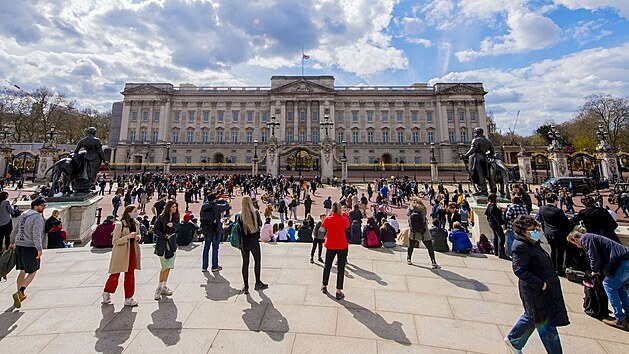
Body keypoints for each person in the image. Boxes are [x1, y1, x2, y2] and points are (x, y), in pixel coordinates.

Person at [504, 215, 569, 354]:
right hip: (536, 291)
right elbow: (520, 270)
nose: (536, 231)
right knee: (547, 324)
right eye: (532, 229)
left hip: (542, 290)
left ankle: (514, 339)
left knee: (533, 316)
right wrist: (541, 285)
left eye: (536, 228)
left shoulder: (532, 242)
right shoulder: (520, 246)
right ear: (522, 231)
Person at [567, 230, 629, 330]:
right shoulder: (591, 237)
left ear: (574, 239)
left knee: (609, 286)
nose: (577, 247)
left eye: (574, 244)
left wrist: (594, 271)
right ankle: (627, 314)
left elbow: (594, 257)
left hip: (621, 263)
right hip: (625, 261)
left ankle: (620, 319)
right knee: (619, 287)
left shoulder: (586, 239)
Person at [101, 205, 142, 307]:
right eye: (134, 211)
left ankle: (129, 297)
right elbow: (115, 241)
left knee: (130, 275)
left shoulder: (136, 223)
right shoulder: (119, 225)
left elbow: (139, 234)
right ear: (128, 212)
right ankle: (107, 292)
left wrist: (138, 237)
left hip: (132, 249)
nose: (136, 213)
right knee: (115, 274)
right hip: (121, 251)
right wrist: (127, 237)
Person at [9, 198, 46, 309]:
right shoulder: (37, 218)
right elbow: (36, 235)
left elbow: (14, 230)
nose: (44, 208)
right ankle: (21, 291)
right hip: (30, 247)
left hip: (19, 246)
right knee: (33, 270)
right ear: (36, 206)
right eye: (43, 206)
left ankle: (19, 294)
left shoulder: (23, 215)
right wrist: (39, 249)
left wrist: (11, 242)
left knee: (22, 270)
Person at [238, 196, 268, 294]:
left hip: (244, 241)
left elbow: (238, 230)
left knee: (245, 263)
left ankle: (246, 286)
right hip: (254, 240)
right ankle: (257, 282)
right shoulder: (255, 213)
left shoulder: (239, 216)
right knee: (257, 262)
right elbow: (260, 224)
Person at [536, 194, 572, 277]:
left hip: (548, 233)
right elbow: (565, 223)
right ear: (555, 200)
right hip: (559, 234)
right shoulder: (558, 211)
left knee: (553, 251)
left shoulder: (542, 208)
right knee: (560, 253)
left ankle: (552, 267)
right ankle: (559, 270)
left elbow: (541, 220)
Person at [321, 202, 350, 300]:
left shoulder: (329, 218)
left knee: (327, 266)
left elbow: (323, 224)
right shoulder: (342, 219)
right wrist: (344, 213)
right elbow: (347, 224)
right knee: (341, 269)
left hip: (331, 245)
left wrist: (330, 214)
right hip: (342, 245)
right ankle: (338, 290)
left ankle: (324, 285)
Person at [153, 200, 179, 300]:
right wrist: (164, 235)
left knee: (168, 267)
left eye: (175, 207)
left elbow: (178, 227)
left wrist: (174, 225)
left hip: (172, 244)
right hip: (163, 244)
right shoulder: (161, 217)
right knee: (165, 266)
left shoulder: (176, 217)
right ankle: (159, 288)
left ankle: (163, 286)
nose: (174, 209)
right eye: (173, 207)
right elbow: (155, 230)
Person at [200, 194, 231, 272]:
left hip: (206, 230)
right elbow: (227, 205)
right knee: (215, 248)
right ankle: (214, 266)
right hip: (215, 230)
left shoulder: (204, 206)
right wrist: (222, 200)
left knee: (206, 248)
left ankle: (204, 266)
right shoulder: (216, 207)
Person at [459, 127, 495, 195]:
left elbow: (472, 149)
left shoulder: (476, 140)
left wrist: (465, 155)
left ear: (477, 133)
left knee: (478, 174)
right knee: (484, 174)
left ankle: (483, 189)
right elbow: (492, 152)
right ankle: (484, 189)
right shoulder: (488, 141)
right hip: (484, 158)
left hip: (476, 158)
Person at [407, 198, 440, 268]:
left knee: (411, 246)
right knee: (430, 247)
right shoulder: (423, 209)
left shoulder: (410, 209)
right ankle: (433, 262)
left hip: (413, 231)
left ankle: (409, 258)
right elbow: (424, 215)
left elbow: (408, 215)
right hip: (423, 230)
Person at [485, 194, 509, 259]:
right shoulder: (493, 207)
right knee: (502, 237)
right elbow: (497, 217)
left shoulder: (489, 206)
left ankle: (496, 251)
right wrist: (502, 220)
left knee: (496, 236)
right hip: (495, 223)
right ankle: (501, 253)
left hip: (491, 222)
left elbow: (486, 213)